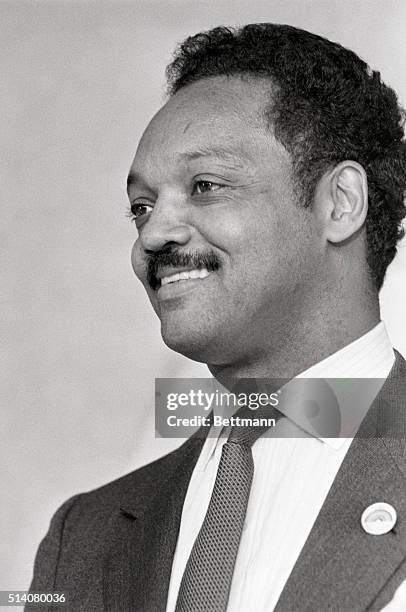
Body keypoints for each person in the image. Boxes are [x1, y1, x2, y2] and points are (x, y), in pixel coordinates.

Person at [28, 23, 406, 612]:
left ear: (340, 203)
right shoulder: (83, 539)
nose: (152, 234)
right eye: (140, 207)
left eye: (204, 186)